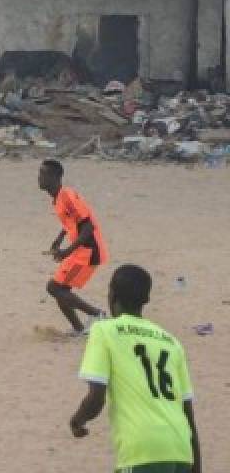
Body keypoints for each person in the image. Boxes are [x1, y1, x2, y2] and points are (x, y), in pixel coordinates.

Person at [70, 264, 201, 473]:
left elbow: (96, 397)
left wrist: (77, 420)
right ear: (146, 300)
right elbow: (188, 415)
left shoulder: (105, 330)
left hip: (142, 450)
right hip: (181, 450)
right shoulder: (171, 341)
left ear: (111, 295)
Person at [39, 160, 108, 334]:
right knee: (59, 289)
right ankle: (79, 329)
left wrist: (66, 251)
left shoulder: (67, 195)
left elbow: (88, 226)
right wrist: (59, 239)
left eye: (43, 174)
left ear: (55, 177)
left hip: (88, 251)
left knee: (54, 288)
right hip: (79, 250)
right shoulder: (57, 199)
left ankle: (98, 314)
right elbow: (72, 221)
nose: (39, 178)